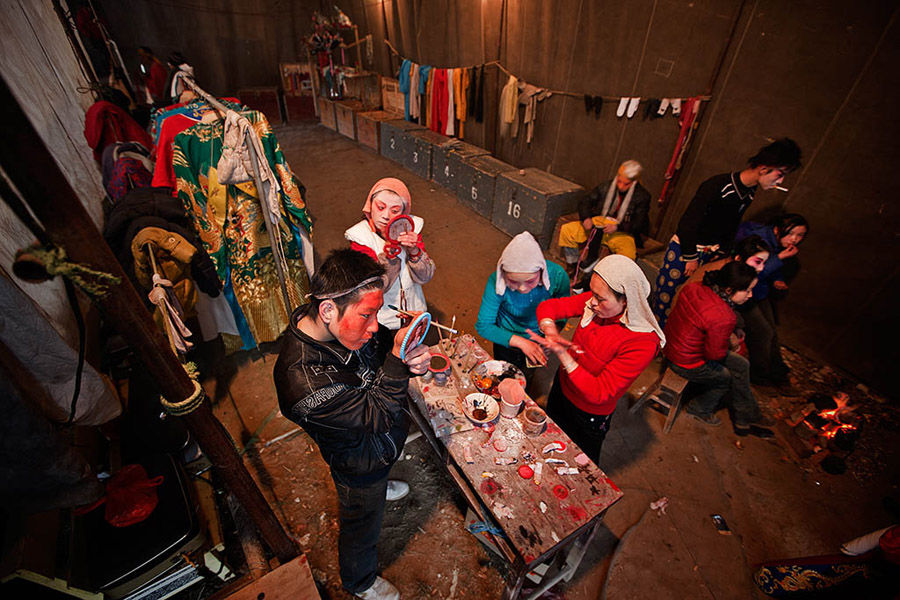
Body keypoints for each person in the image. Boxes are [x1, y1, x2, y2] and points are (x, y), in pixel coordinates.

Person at [273, 249, 431, 600]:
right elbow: (375, 415)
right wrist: (397, 362)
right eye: (366, 315)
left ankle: (382, 482)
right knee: (362, 525)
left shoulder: (340, 326)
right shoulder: (302, 383)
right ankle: (359, 583)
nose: (374, 325)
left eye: (377, 312)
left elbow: (377, 347)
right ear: (328, 310)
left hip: (380, 446)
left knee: (380, 471)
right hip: (357, 465)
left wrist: (405, 355)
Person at [653, 138, 802, 326]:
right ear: (764, 169)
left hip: (710, 251)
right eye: (780, 174)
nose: (780, 181)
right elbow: (687, 223)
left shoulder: (749, 192)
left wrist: (722, 253)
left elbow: (731, 226)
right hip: (686, 248)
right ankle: (653, 335)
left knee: (687, 298)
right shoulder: (718, 185)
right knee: (667, 295)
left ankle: (672, 336)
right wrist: (690, 256)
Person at [531, 255, 665, 462]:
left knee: (580, 462)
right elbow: (549, 308)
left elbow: (600, 392)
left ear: (627, 300)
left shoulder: (643, 342)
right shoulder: (596, 304)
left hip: (588, 412)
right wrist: (550, 331)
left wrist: (564, 356)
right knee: (550, 441)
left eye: (600, 299)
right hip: (562, 388)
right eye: (592, 293)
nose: (591, 302)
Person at [663, 261, 774, 438]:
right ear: (729, 290)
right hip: (684, 361)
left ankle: (746, 416)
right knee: (726, 377)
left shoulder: (695, 287)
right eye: (747, 290)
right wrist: (732, 343)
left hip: (671, 344)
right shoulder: (724, 315)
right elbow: (714, 354)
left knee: (742, 365)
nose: (750, 295)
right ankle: (700, 409)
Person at [475, 232, 569, 383]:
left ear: (541, 272)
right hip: (505, 340)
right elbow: (484, 325)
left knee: (525, 380)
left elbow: (564, 310)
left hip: (540, 340)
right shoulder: (496, 281)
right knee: (504, 378)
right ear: (503, 274)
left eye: (530, 281)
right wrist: (522, 342)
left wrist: (553, 333)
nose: (522, 289)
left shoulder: (557, 276)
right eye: (513, 281)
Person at [345, 178, 435, 330]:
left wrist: (414, 251)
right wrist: (390, 255)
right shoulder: (360, 238)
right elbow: (375, 287)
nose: (386, 216)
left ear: (404, 212)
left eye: (394, 211)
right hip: (381, 319)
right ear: (370, 205)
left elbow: (425, 276)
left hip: (412, 312)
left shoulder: (410, 229)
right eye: (380, 207)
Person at [736, 213, 809, 384]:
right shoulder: (758, 240)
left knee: (772, 330)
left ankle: (777, 370)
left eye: (800, 235)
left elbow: (768, 266)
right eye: (791, 234)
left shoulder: (775, 242)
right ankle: (759, 376)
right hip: (744, 291)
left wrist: (778, 279)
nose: (795, 239)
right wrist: (781, 258)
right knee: (763, 331)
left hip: (759, 290)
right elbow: (751, 272)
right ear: (778, 229)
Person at [558, 160, 651, 274]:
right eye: (619, 181)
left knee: (628, 256)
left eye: (626, 184)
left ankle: (608, 279)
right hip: (599, 223)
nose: (621, 186)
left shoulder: (642, 196)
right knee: (567, 231)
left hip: (621, 230)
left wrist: (617, 227)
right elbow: (585, 201)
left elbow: (639, 223)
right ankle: (573, 265)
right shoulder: (607, 186)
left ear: (634, 182)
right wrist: (586, 218)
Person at [674, 234, 772, 304]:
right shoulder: (724, 272)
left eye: (765, 263)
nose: (761, 268)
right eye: (758, 262)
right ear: (738, 258)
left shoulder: (738, 273)